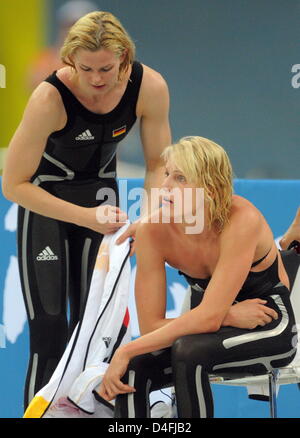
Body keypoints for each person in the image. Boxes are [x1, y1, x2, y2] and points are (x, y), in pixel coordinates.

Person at [2, 10, 171, 409]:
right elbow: (13, 185)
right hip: (47, 206)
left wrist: (148, 222)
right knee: (49, 330)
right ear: (69, 62)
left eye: (106, 68)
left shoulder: (150, 87)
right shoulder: (49, 98)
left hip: (101, 200)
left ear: (125, 59)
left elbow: (159, 163)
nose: (96, 79)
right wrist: (85, 217)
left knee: (95, 331)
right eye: (85, 68)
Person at [98, 136, 297, 418]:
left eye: (180, 178)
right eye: (167, 173)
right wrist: (226, 315)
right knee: (135, 367)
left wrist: (125, 349)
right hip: (209, 327)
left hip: (268, 324)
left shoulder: (241, 219)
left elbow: (207, 318)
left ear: (210, 188)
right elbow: (152, 325)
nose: (165, 185)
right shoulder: (153, 232)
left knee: (188, 351)